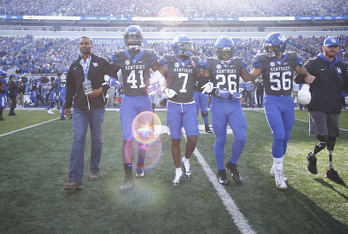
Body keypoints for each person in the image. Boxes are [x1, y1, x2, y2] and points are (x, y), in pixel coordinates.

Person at [246, 32, 315, 191]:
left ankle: (275, 166)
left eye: (274, 47)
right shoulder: (262, 60)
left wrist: (308, 78)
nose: (270, 50)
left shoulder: (291, 58)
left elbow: (303, 72)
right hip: (272, 100)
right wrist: (247, 84)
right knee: (279, 135)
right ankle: (279, 172)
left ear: (282, 46)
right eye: (268, 47)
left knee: (286, 136)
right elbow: (251, 77)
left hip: (287, 100)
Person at [296, 36, 348, 185]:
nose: (332, 49)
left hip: (334, 106)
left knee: (331, 140)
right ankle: (312, 155)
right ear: (324, 48)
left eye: (335, 47)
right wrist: (305, 78)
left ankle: (330, 169)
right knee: (323, 136)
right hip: (317, 106)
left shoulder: (341, 65)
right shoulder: (314, 63)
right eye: (330, 47)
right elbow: (298, 78)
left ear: (338, 48)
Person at [63, 36, 117, 191]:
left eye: (86, 43)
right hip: (79, 108)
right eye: (81, 43)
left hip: (97, 107)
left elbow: (113, 77)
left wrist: (101, 89)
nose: (84, 45)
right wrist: (67, 106)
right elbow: (70, 88)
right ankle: (75, 179)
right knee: (78, 139)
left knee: (96, 139)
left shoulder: (101, 62)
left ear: (92, 45)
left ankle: (94, 169)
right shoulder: (74, 66)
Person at [199, 36, 255, 186]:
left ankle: (232, 164)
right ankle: (221, 170)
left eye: (228, 52)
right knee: (221, 139)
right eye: (222, 52)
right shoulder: (209, 63)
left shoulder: (238, 62)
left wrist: (248, 88)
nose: (225, 55)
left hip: (234, 104)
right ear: (217, 52)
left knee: (241, 137)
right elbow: (202, 85)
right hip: (218, 104)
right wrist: (216, 91)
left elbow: (249, 80)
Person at [109, 25, 159, 190]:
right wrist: (109, 79)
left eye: (135, 37)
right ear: (126, 39)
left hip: (145, 99)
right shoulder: (119, 56)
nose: (132, 40)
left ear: (140, 38)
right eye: (130, 37)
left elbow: (160, 72)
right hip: (128, 100)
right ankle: (128, 177)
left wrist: (157, 85)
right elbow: (109, 72)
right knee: (127, 138)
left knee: (144, 136)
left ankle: (140, 164)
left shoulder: (149, 55)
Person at [149, 35, 201, 187]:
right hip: (173, 105)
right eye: (185, 45)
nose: (188, 48)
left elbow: (202, 80)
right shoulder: (169, 61)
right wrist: (164, 90)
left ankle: (186, 159)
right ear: (177, 47)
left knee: (193, 138)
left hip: (190, 104)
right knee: (175, 139)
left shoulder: (193, 62)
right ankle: (178, 170)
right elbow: (154, 80)